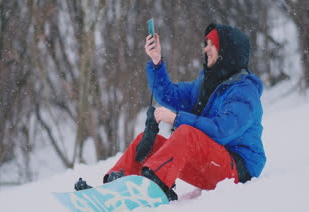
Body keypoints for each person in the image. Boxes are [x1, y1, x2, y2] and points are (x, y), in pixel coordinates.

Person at [76, 23, 266, 201]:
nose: (205, 49)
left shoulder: (244, 91)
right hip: (210, 164)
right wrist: (157, 62)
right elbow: (169, 94)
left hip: (237, 171)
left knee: (186, 134)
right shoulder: (206, 84)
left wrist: (176, 119)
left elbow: (222, 131)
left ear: (226, 51)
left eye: (211, 44)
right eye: (206, 44)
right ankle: (114, 188)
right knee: (148, 141)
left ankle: (154, 186)